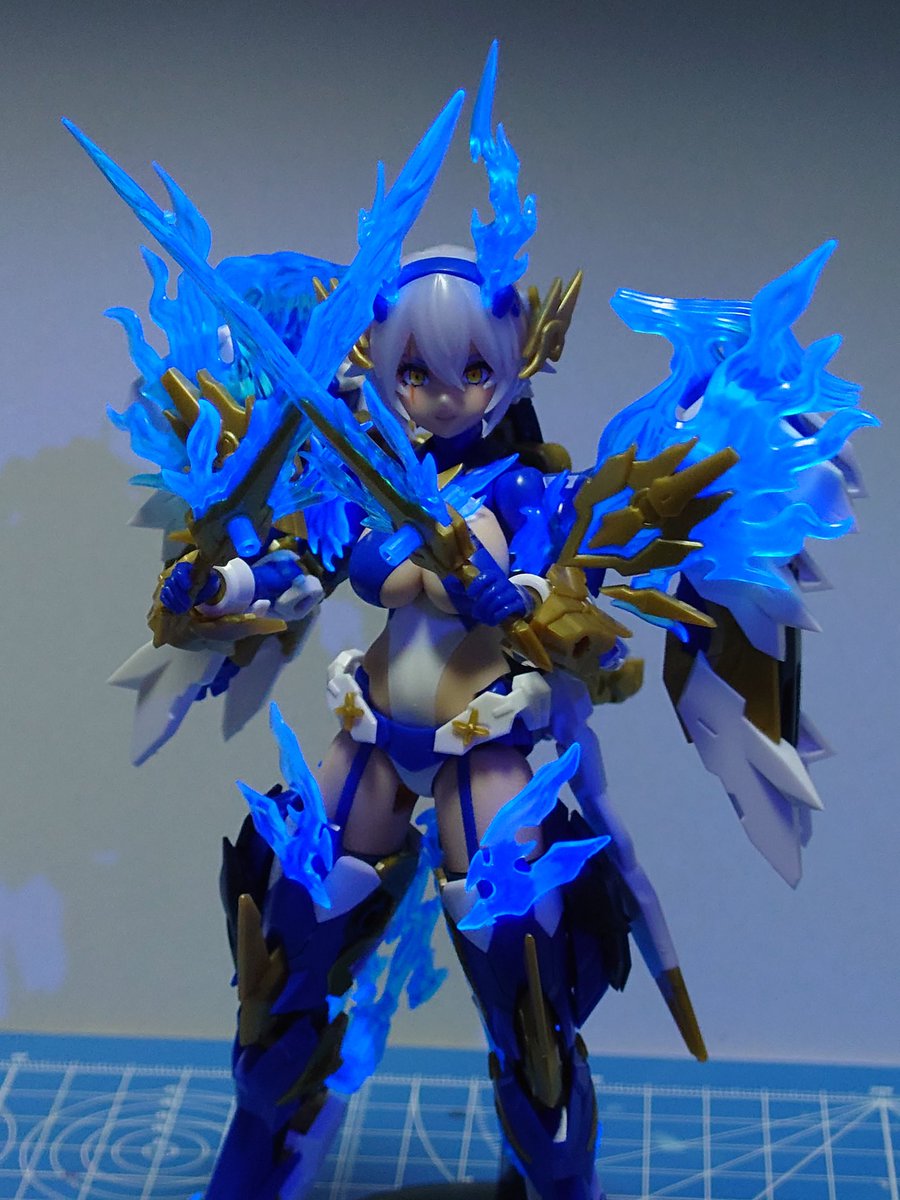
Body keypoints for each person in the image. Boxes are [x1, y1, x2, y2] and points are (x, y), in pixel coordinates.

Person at [69, 40, 873, 1200]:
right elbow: (290, 573)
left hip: (483, 751)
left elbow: (598, 641)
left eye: (473, 374)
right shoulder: (361, 484)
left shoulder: (541, 498)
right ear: (384, 372)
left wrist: (527, 602)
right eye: (420, 375)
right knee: (282, 963)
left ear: (512, 365)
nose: (448, 397)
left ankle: (553, 1178)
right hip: (369, 739)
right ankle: (264, 1145)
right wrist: (215, 594)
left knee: (527, 999)